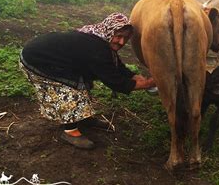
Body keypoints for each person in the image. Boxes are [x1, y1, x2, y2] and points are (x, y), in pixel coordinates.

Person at [19, 12, 155, 149]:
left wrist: (135, 76)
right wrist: (149, 83)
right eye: (118, 36)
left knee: (82, 82)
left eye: (125, 38)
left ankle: (82, 119)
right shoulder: (96, 48)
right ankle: (70, 131)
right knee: (68, 88)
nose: (121, 42)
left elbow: (116, 67)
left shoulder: (100, 37)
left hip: (54, 57)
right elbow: (116, 81)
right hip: (37, 60)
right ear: (109, 31)